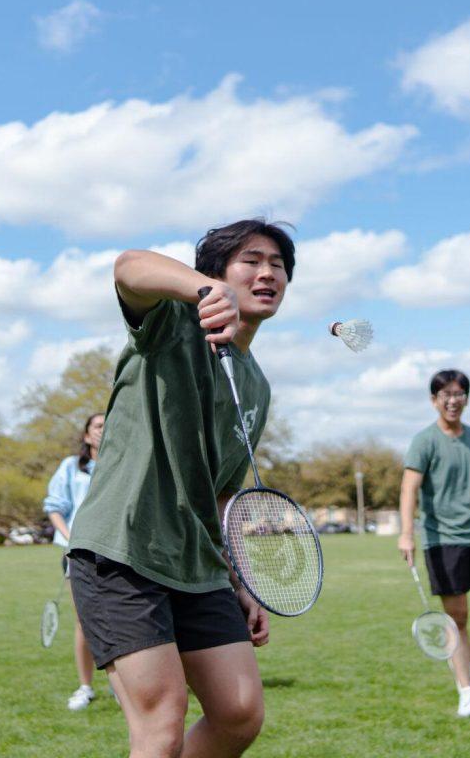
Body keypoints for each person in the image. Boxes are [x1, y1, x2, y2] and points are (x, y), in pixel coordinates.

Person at [68, 219, 293, 758]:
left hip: (197, 568)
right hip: (123, 551)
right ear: (215, 272)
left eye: (279, 265)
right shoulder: (174, 321)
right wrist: (202, 290)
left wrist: (236, 578)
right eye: (251, 261)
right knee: (160, 723)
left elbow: (218, 496)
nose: (267, 273)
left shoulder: (256, 384)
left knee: (239, 714)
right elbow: (128, 267)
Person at [397, 369, 470, 718]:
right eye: (445, 394)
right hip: (442, 541)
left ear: (466, 398)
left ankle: (469, 663)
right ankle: (466, 691)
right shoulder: (424, 441)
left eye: (459, 394)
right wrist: (406, 533)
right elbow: (409, 489)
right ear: (434, 400)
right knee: (458, 619)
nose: (452, 400)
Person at [43, 412, 106, 711]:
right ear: (86, 435)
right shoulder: (71, 467)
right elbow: (55, 507)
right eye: (98, 426)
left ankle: (125, 687)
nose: (103, 431)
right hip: (79, 555)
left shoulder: (120, 466)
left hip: (118, 554)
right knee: (85, 622)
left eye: (109, 426)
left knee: (123, 621)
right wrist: (70, 538)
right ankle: (85, 686)